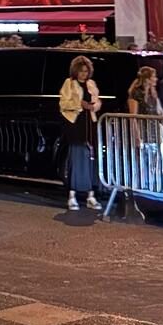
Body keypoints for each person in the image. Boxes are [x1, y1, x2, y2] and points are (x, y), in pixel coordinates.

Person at [58, 54, 102, 212]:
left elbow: (97, 101)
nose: (83, 74)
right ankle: (72, 196)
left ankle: (91, 195)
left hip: (90, 123)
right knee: (77, 159)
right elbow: (63, 104)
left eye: (86, 71)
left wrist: (94, 106)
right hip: (75, 124)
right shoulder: (69, 84)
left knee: (92, 159)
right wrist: (80, 104)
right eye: (81, 71)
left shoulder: (91, 84)